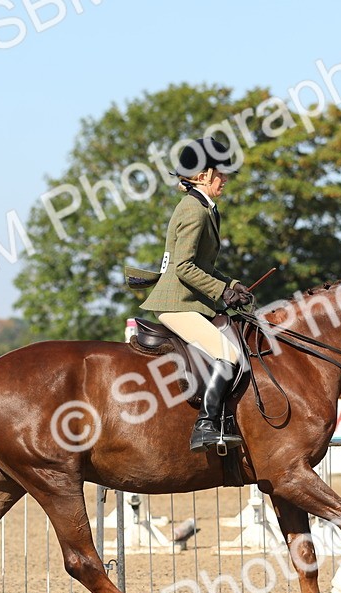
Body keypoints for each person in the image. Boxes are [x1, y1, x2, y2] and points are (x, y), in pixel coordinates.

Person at [137, 137, 255, 453]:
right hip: (176, 304)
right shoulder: (194, 210)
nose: (225, 178)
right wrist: (221, 291)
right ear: (202, 175)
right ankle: (205, 425)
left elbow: (202, 265)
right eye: (220, 173)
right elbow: (184, 267)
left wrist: (231, 285)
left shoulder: (204, 207)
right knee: (227, 354)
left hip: (190, 300)